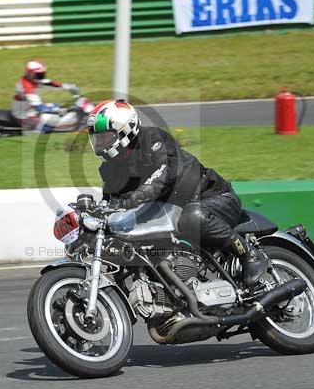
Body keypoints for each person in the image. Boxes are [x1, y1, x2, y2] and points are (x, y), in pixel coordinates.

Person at [88, 99, 268, 286]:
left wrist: (135, 198)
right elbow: (110, 204)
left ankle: (250, 254)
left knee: (191, 216)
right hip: (175, 213)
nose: (100, 143)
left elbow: (164, 175)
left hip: (214, 198)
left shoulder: (152, 139)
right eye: (97, 139)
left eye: (105, 137)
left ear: (124, 129)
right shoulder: (112, 168)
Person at [12, 59, 76, 132]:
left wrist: (70, 87)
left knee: (57, 106)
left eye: (42, 73)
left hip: (31, 110)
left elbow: (54, 84)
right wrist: (58, 110)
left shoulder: (34, 79)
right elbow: (39, 107)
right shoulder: (25, 86)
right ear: (31, 74)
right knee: (55, 129)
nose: (41, 76)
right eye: (39, 74)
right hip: (24, 116)